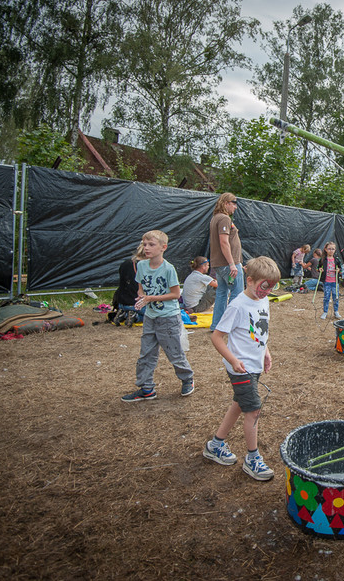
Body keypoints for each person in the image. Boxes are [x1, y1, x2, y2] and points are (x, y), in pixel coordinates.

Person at [202, 256, 281, 481]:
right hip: (240, 368)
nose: (267, 291)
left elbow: (260, 332)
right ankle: (252, 458)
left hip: (254, 365)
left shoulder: (262, 300)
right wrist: (234, 361)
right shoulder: (237, 305)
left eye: (271, 287)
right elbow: (217, 337)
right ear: (249, 280)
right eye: (264, 286)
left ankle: (215, 444)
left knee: (239, 404)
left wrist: (265, 351)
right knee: (253, 410)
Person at [121, 230, 195, 402]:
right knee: (146, 353)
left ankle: (187, 379)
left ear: (163, 247)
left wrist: (150, 298)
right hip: (150, 317)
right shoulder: (141, 266)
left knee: (174, 353)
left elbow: (176, 294)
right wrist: (141, 297)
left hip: (168, 317)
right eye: (144, 244)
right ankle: (146, 388)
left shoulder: (168, 269)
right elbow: (141, 287)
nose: (146, 248)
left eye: (151, 245)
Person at [209, 193, 243, 331]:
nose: (235, 207)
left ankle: (217, 325)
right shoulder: (224, 218)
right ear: (226, 203)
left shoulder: (216, 218)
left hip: (219, 264)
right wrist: (232, 264)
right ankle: (232, 325)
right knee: (237, 293)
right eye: (233, 203)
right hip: (227, 264)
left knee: (222, 293)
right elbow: (224, 242)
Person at [110, 244, 146, 325]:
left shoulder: (125, 263)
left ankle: (124, 313)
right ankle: (135, 316)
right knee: (158, 315)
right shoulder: (146, 265)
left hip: (121, 303)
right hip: (136, 304)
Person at [318, 241, 342, 320]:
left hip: (335, 282)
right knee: (326, 297)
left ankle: (336, 311)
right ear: (325, 249)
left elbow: (341, 268)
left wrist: (339, 270)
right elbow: (317, 267)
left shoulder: (337, 259)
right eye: (329, 249)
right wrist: (320, 269)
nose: (331, 250)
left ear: (335, 250)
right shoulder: (323, 259)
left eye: (333, 249)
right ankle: (325, 312)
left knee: (336, 297)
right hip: (327, 281)